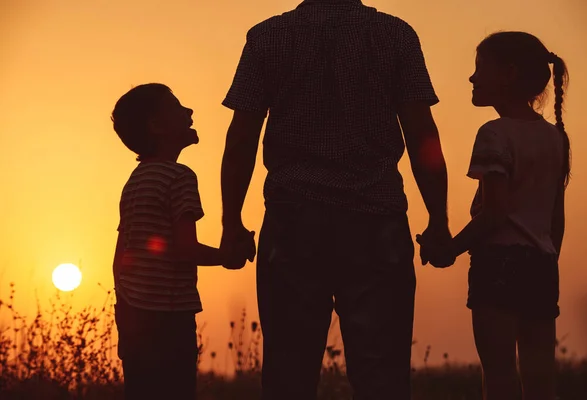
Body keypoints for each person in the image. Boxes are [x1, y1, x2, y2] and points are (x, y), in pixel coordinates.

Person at [219, 1, 452, 398]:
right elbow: (421, 135)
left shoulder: (267, 37)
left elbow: (242, 138)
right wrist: (438, 220)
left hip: (293, 225)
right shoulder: (395, 35)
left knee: (288, 375)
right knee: (383, 377)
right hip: (376, 223)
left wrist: (232, 223)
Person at [418, 31, 570, 400]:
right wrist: (547, 262)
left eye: (480, 68)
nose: (472, 78)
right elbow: (556, 220)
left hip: (499, 266)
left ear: (509, 73)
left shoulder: (494, 134)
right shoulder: (555, 138)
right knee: (540, 381)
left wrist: (450, 249)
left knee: (499, 377)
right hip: (543, 264)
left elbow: (495, 214)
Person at [110, 83, 250, 400]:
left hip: (134, 318)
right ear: (156, 126)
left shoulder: (134, 181)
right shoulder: (180, 177)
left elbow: (120, 259)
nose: (189, 112)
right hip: (169, 321)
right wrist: (227, 256)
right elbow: (184, 249)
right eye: (177, 108)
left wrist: (125, 318)